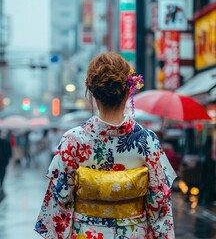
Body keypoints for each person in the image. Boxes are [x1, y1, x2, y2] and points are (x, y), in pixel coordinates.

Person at [35, 52, 177, 238]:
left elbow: (57, 210)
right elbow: (160, 208)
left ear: (92, 94)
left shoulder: (72, 141)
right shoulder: (148, 140)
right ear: (128, 91)